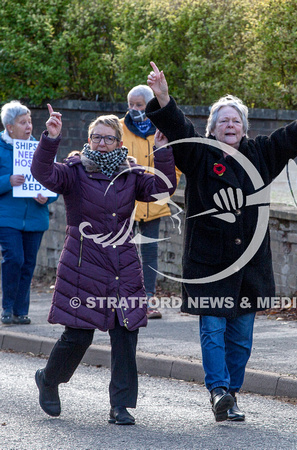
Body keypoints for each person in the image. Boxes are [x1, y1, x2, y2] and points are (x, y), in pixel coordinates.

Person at [145, 62, 297, 422]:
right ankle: (218, 391)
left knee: (240, 338)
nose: (229, 124)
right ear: (211, 128)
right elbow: (177, 128)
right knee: (212, 328)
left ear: (244, 128)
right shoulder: (198, 153)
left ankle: (232, 394)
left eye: (235, 120)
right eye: (222, 120)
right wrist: (163, 98)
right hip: (209, 264)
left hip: (249, 266)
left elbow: (296, 134)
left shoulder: (261, 154)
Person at [31, 104, 176, 424]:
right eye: (95, 137)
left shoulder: (132, 174)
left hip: (123, 264)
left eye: (108, 139)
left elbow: (163, 191)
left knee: (126, 332)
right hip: (84, 263)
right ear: (88, 139)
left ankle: (120, 406)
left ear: (120, 144)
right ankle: (49, 379)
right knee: (78, 335)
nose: (100, 143)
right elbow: (43, 174)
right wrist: (50, 140)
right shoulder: (74, 170)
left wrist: (162, 151)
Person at [120, 84, 181, 319]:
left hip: (153, 201)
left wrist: (166, 192)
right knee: (123, 251)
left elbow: (175, 164)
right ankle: (123, 299)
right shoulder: (118, 128)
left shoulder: (163, 128)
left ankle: (148, 300)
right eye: (131, 105)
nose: (134, 109)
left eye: (139, 105)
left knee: (150, 253)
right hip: (124, 202)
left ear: (150, 106)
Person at [0, 101, 57, 325]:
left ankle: (20, 311)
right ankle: (7, 307)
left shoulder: (41, 148)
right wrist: (8, 181)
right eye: (22, 122)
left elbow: (56, 182)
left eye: (30, 121)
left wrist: (47, 197)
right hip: (7, 217)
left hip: (35, 217)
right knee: (14, 257)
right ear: (9, 127)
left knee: (28, 263)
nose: (28, 126)